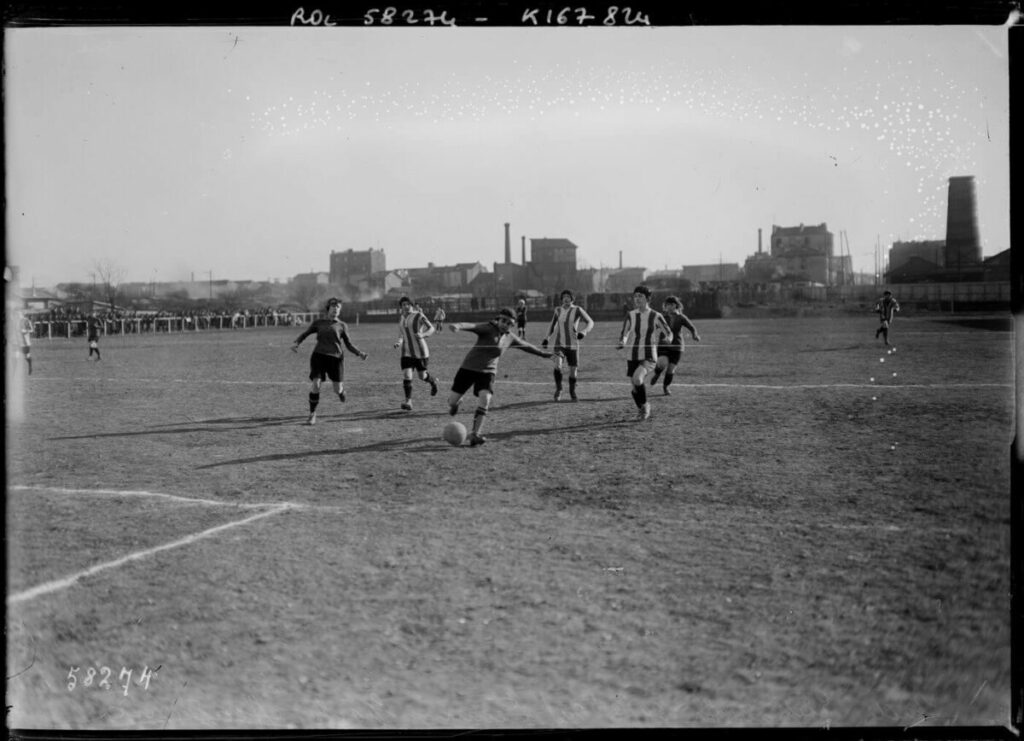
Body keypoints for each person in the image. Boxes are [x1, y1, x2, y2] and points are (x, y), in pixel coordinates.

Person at [447, 307, 554, 446]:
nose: (505, 324)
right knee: (452, 401)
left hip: (488, 372)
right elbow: (472, 326)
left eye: (509, 323)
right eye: (503, 321)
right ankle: (456, 403)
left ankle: (475, 434)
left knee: (485, 398)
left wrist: (544, 354)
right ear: (498, 319)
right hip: (468, 368)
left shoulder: (510, 337)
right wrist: (458, 326)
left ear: (512, 325)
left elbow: (525, 345)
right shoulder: (487, 328)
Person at [291, 297, 368, 425]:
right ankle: (312, 414)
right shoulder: (319, 323)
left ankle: (342, 392)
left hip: (336, 358)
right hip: (318, 356)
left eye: (338, 307)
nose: (335, 309)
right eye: (333, 307)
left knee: (337, 389)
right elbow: (305, 333)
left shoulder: (342, 325)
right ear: (328, 308)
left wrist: (359, 353)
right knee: (316, 385)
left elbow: (348, 344)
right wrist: (297, 343)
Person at [617, 285, 672, 420]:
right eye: (635, 296)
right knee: (635, 388)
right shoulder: (630, 315)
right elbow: (625, 333)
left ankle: (645, 406)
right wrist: (622, 342)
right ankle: (642, 408)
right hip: (632, 355)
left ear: (647, 299)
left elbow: (669, 333)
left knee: (638, 378)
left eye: (640, 296)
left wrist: (668, 339)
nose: (637, 299)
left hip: (648, 356)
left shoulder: (656, 315)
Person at [541, 289, 595, 402]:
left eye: (568, 296)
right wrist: (547, 338)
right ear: (561, 299)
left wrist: (584, 332)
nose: (566, 298)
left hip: (573, 345)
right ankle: (559, 389)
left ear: (572, 299)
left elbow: (590, 322)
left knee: (573, 370)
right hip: (559, 344)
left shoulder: (577, 310)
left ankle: (572, 391)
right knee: (557, 364)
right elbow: (552, 325)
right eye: (564, 296)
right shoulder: (558, 310)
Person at [393, 295, 439, 411]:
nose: (406, 306)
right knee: (407, 375)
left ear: (411, 305)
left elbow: (431, 328)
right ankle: (408, 402)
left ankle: (432, 381)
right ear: (401, 307)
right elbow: (401, 334)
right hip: (406, 352)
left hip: (420, 352)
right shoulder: (402, 318)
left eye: (408, 304)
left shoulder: (418, 315)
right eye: (403, 305)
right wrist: (399, 342)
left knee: (422, 376)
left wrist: (423, 335)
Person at [649, 296, 700, 395]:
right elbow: (653, 327)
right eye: (667, 305)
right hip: (663, 344)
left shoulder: (681, 317)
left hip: (677, 346)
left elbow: (691, 327)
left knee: (671, 369)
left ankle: (666, 387)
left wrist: (695, 335)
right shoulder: (662, 317)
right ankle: (657, 373)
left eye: (671, 304)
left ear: (675, 305)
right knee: (662, 363)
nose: (668, 306)